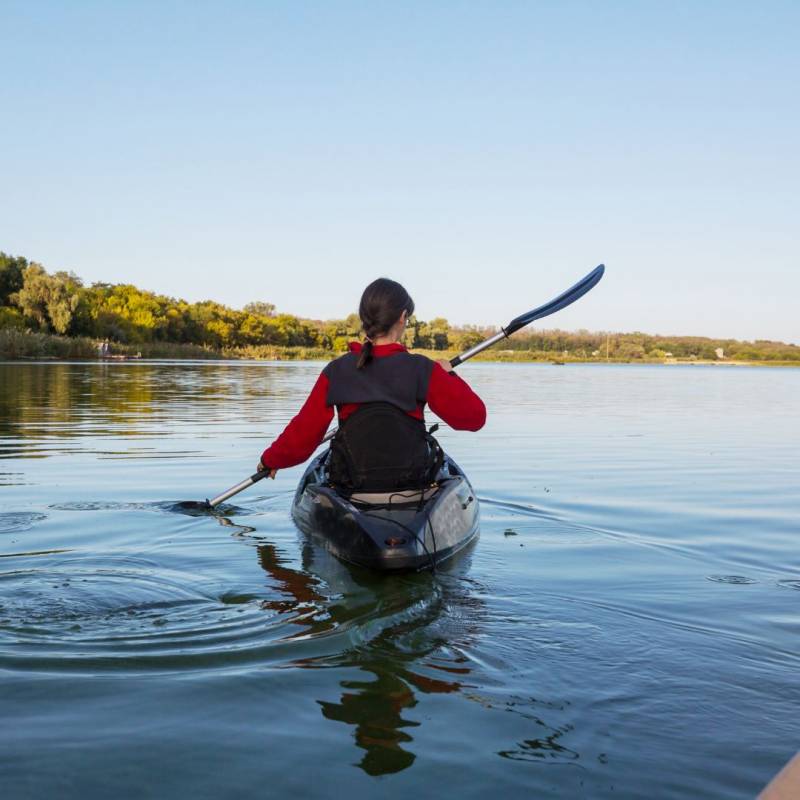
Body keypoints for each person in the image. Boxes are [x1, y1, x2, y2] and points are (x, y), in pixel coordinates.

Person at [258, 278, 486, 493]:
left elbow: (304, 433)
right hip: (411, 483)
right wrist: (449, 375)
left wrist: (270, 460)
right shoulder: (423, 369)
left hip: (352, 484)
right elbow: (474, 418)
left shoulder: (336, 370)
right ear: (402, 316)